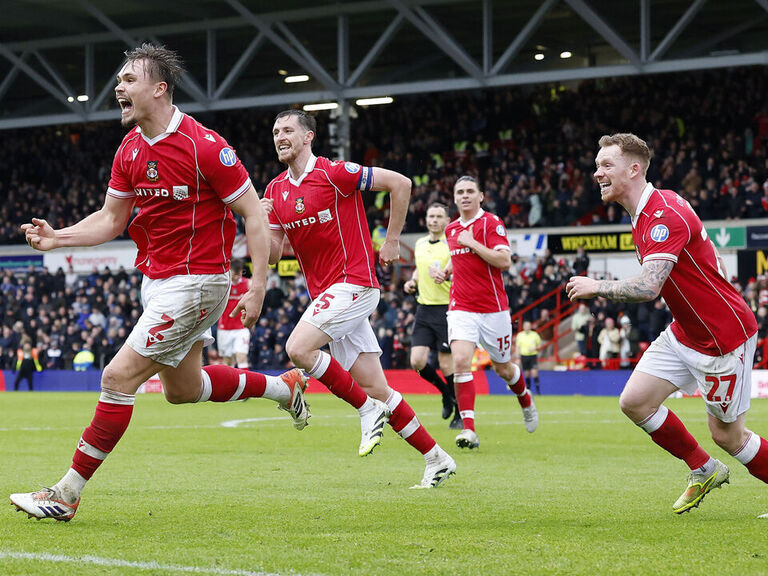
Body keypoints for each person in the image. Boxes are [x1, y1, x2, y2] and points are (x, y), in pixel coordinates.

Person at [10, 44, 310, 522]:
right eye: (120, 80)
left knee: (116, 378)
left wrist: (257, 284)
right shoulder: (129, 148)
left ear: (159, 88)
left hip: (199, 281)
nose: (119, 87)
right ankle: (284, 388)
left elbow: (254, 213)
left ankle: (65, 495)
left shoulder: (205, 145)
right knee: (183, 390)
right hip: (157, 278)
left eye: (129, 79)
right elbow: (111, 219)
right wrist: (57, 237)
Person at [567, 133, 767, 514]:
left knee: (727, 435)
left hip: (722, 339)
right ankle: (703, 469)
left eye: (606, 165)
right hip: (685, 333)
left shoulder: (664, 214)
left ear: (635, 169)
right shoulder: (644, 213)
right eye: (597, 166)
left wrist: (596, 286)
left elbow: (647, 286)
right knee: (635, 402)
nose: (597, 174)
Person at [263, 109, 455, 488]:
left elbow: (401, 183)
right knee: (377, 387)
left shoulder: (334, 173)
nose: (280, 136)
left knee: (298, 348)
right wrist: (260, 216)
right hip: (331, 297)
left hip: (355, 283)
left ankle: (367, 413)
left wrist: (393, 239)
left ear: (307, 137)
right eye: (275, 132)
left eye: (288, 130)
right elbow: (272, 254)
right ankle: (437, 458)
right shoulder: (275, 192)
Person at [444, 175, 538, 450]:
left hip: (493, 310)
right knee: (461, 361)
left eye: (470, 191)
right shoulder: (451, 229)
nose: (464, 196)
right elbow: (458, 259)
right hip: (461, 307)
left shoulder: (491, 223)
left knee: (503, 368)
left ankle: (525, 399)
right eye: (459, 192)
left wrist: (472, 243)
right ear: (454, 197)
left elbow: (504, 260)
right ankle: (469, 430)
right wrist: (446, 272)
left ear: (480, 196)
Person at [403, 202, 461, 429]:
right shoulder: (419, 244)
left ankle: (459, 412)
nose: (434, 220)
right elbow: (419, 268)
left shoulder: (451, 246)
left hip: (447, 308)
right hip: (424, 308)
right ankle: (446, 393)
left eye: (439, 216)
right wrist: (412, 281)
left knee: (447, 363)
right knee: (416, 361)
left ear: (447, 221)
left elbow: (460, 271)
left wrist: (446, 277)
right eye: (431, 216)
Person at [216, 259, 252, 369]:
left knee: (241, 356)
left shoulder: (248, 284)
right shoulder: (223, 284)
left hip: (241, 328)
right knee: (227, 360)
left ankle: (246, 384)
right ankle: (230, 385)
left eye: (238, 273)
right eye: (234, 273)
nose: (236, 277)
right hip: (224, 328)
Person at [515, 321, 542, 394]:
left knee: (534, 373)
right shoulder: (520, 335)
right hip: (524, 356)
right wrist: (517, 357)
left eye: (528, 326)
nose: (527, 327)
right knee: (526, 374)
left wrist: (535, 348)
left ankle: (538, 391)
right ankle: (528, 391)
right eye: (525, 326)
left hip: (533, 356)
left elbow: (540, 346)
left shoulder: (535, 335)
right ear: (523, 327)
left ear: (530, 327)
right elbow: (518, 347)